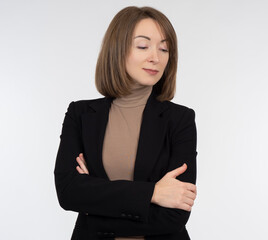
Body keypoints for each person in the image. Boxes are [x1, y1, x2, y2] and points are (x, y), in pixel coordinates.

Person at [54, 6, 197, 240]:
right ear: (117, 49)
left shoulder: (180, 119)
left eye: (164, 48)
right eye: (143, 46)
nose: (156, 57)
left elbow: (175, 216)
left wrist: (93, 207)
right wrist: (152, 193)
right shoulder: (80, 114)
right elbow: (68, 193)